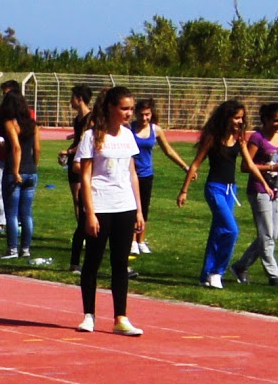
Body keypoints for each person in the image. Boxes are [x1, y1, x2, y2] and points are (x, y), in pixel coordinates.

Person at [178, 100, 272, 289]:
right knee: (232, 230)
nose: (240, 121)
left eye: (242, 118)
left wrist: (265, 184)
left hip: (231, 191)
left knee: (218, 231)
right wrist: (184, 191)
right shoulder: (212, 138)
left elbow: (250, 164)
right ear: (226, 117)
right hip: (215, 189)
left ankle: (205, 275)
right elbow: (196, 164)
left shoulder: (239, 138)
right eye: (236, 117)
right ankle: (217, 272)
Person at [75, 86, 145, 336]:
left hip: (124, 206)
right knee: (93, 261)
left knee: (120, 263)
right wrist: (90, 212)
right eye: (124, 108)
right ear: (111, 108)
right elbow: (85, 176)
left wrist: (138, 210)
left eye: (131, 109)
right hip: (100, 206)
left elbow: (132, 173)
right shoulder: (91, 137)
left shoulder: (128, 135)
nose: (129, 113)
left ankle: (120, 317)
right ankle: (89, 315)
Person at [234, 103, 278, 287]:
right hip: (259, 190)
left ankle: (241, 266)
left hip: (276, 190)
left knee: (271, 235)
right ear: (265, 120)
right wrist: (271, 167)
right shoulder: (257, 138)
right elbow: (245, 166)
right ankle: (274, 275)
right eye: (276, 120)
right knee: (266, 235)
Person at [130, 98, 190, 255]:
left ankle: (140, 240)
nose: (144, 118)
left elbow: (168, 150)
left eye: (147, 114)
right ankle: (132, 241)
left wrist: (185, 167)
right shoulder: (129, 129)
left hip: (146, 174)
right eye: (141, 114)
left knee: (144, 208)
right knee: (132, 208)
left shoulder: (155, 130)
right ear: (136, 114)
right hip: (129, 175)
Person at [0, 90, 44, 263]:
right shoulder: (33, 124)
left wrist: (16, 171)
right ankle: (25, 249)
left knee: (11, 214)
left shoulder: (10, 123)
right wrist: (34, 166)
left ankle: (12, 249)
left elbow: (16, 148)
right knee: (26, 213)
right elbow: (37, 148)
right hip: (31, 171)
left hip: (14, 171)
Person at [63, 85, 93, 273]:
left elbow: (84, 142)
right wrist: (69, 152)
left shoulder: (91, 119)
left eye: (72, 97)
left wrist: (69, 151)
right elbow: (78, 141)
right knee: (77, 200)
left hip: (83, 163)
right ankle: (82, 233)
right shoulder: (78, 119)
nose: (70, 101)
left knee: (84, 201)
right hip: (75, 164)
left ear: (80, 98)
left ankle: (83, 233)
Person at [0, 80, 20, 235]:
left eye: (7, 93)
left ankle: (17, 222)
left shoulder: (25, 113)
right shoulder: (0, 113)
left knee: (16, 189)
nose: (5, 97)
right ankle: (0, 222)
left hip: (18, 159)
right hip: (0, 157)